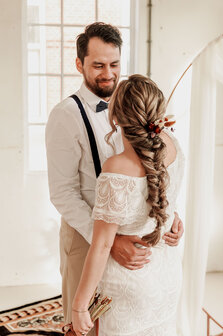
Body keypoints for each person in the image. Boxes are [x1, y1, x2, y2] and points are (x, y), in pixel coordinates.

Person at [45, 22, 183, 333]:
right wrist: (108, 241)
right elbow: (63, 193)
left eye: (114, 64)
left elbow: (152, 169)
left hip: (136, 238)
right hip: (86, 238)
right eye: (98, 65)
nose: (108, 73)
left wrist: (169, 213)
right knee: (83, 327)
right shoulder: (64, 116)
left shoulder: (133, 107)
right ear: (79, 64)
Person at [72, 74, 185, 336]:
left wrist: (80, 306)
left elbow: (102, 245)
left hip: (128, 283)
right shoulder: (173, 144)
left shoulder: (117, 169)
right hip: (167, 276)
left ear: (115, 117)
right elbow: (169, 194)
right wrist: (174, 217)